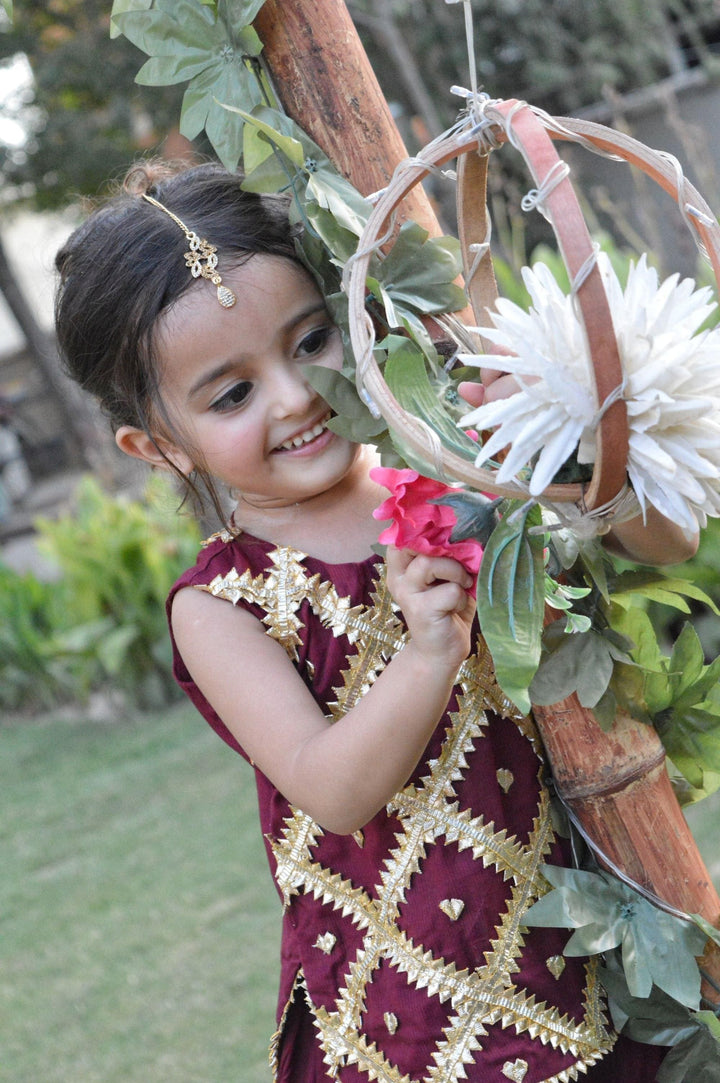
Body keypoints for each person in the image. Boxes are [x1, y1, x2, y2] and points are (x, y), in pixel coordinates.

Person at [55, 160, 696, 1082]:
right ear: (157, 446)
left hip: (579, 935)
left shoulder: (447, 468)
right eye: (231, 394)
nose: (295, 395)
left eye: (311, 339)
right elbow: (333, 788)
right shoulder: (221, 603)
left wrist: (585, 444)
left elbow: (663, 544)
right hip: (409, 1003)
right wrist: (430, 647)